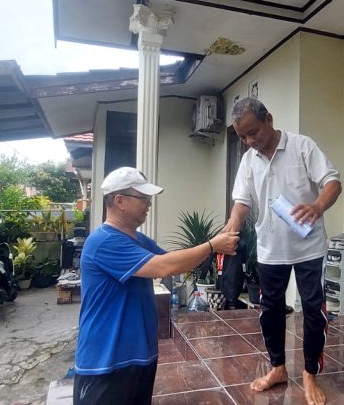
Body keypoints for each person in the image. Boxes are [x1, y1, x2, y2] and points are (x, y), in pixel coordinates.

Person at [73, 167, 239, 405]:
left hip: (140, 354)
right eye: (142, 197)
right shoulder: (103, 241)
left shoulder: (138, 240)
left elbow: (175, 263)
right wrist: (212, 245)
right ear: (119, 201)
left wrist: (215, 242)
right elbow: (163, 267)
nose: (149, 203)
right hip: (106, 361)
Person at [223, 98, 342, 405]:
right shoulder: (249, 160)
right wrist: (233, 224)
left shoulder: (302, 146)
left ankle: (310, 373)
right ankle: (277, 368)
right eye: (243, 136)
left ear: (269, 119)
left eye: (253, 132)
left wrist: (317, 206)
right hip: (270, 248)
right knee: (270, 310)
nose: (249, 141)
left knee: (313, 310)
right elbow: (242, 201)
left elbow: (332, 182)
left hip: (309, 247)